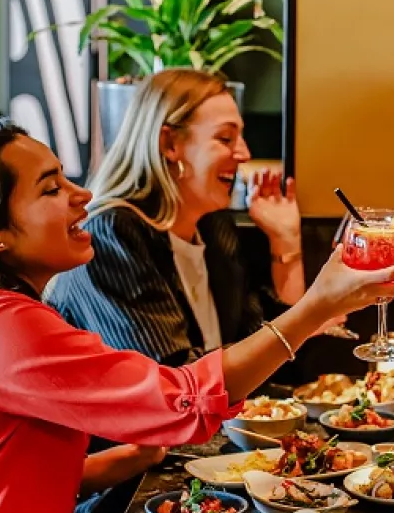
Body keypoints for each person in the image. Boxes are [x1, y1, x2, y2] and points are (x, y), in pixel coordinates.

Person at [0, 119, 394, 513]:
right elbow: (183, 400)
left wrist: (120, 459)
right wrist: (314, 308)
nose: (82, 194)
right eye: (51, 188)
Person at [48, 69, 323, 365]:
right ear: (170, 144)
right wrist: (312, 312)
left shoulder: (213, 226)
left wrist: (286, 241)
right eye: (226, 138)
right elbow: (174, 380)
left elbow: (279, 362)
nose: (244, 153)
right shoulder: (111, 234)